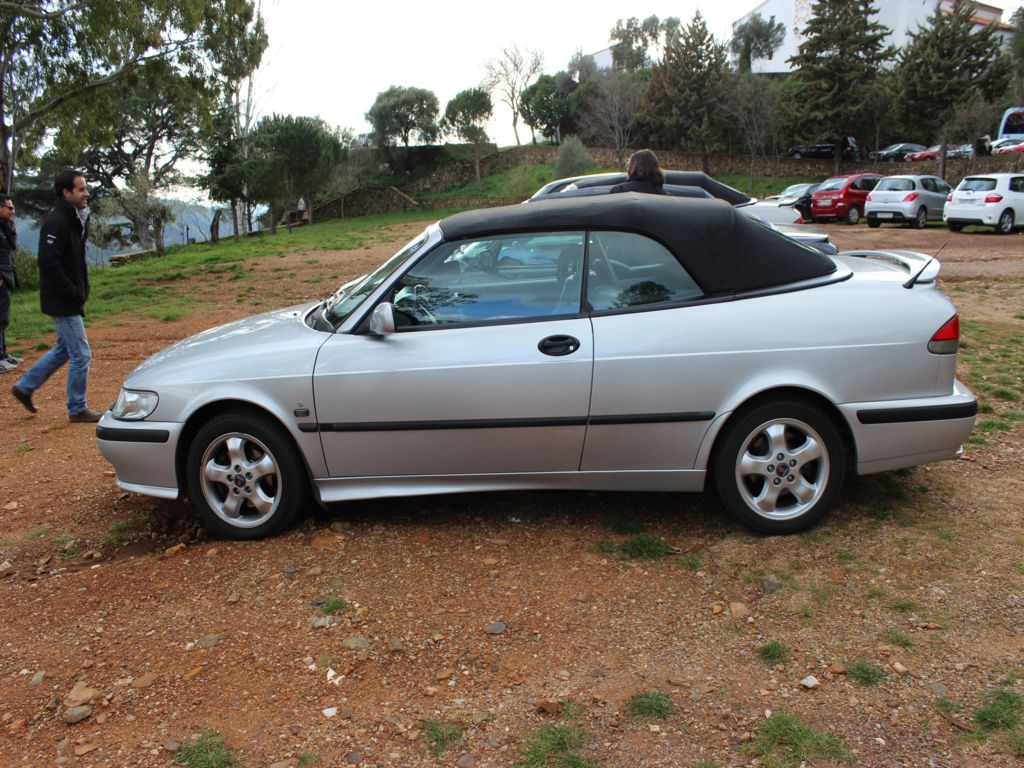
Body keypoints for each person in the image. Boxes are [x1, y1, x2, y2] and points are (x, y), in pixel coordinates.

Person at [10, 169, 101, 422]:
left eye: (86, 188)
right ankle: (77, 408)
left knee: (63, 350)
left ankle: (25, 387)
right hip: (63, 300)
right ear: (66, 192)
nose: (86, 193)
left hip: (68, 297)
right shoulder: (57, 221)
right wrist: (71, 291)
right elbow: (48, 262)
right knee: (81, 354)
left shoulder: (74, 217)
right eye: (81, 189)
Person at [0, 192, 20, 373]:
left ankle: (3, 354)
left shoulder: (5, 227)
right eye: (9, 208)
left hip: (7, 276)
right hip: (2, 277)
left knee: (3, 318)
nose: (12, 211)